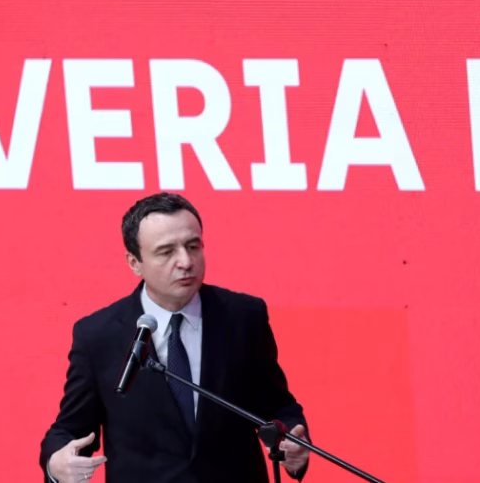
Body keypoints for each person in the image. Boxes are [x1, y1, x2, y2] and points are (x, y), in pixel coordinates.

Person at [39, 192, 310, 482]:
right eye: (166, 252)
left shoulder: (244, 317)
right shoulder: (98, 335)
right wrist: (57, 464)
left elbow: (276, 404)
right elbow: (71, 429)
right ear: (134, 262)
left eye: (193, 246)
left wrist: (293, 441)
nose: (185, 261)